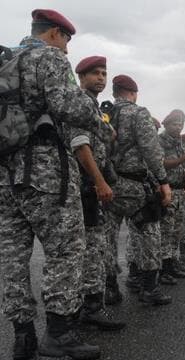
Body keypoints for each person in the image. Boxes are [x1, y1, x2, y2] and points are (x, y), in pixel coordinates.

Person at [0, 9, 115, 359]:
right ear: (54, 34)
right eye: (66, 41)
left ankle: (23, 337)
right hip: (44, 170)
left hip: (5, 175)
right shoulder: (46, 57)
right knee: (66, 250)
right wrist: (100, 119)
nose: (66, 51)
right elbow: (68, 106)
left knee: (12, 258)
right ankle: (59, 334)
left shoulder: (6, 60)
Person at [105, 74, 172, 306]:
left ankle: (110, 289)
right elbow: (151, 152)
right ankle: (149, 288)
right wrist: (163, 181)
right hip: (133, 186)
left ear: (115, 93)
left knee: (107, 238)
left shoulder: (103, 115)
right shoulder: (138, 113)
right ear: (133, 93)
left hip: (107, 185)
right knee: (149, 233)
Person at [73, 56, 125, 330]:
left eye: (104, 73)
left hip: (92, 186)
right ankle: (87, 311)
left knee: (94, 247)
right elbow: (81, 146)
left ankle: (90, 306)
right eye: (94, 73)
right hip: (86, 186)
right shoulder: (81, 102)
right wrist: (99, 181)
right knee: (89, 248)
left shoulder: (92, 106)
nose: (101, 78)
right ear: (81, 77)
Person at [158, 110, 185, 278]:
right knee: (166, 230)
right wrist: (183, 160)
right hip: (168, 190)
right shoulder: (160, 140)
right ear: (166, 124)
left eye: (181, 124)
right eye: (175, 124)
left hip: (180, 190)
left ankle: (172, 262)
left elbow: (180, 165)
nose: (178, 127)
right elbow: (160, 164)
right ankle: (164, 267)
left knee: (177, 230)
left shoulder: (178, 142)